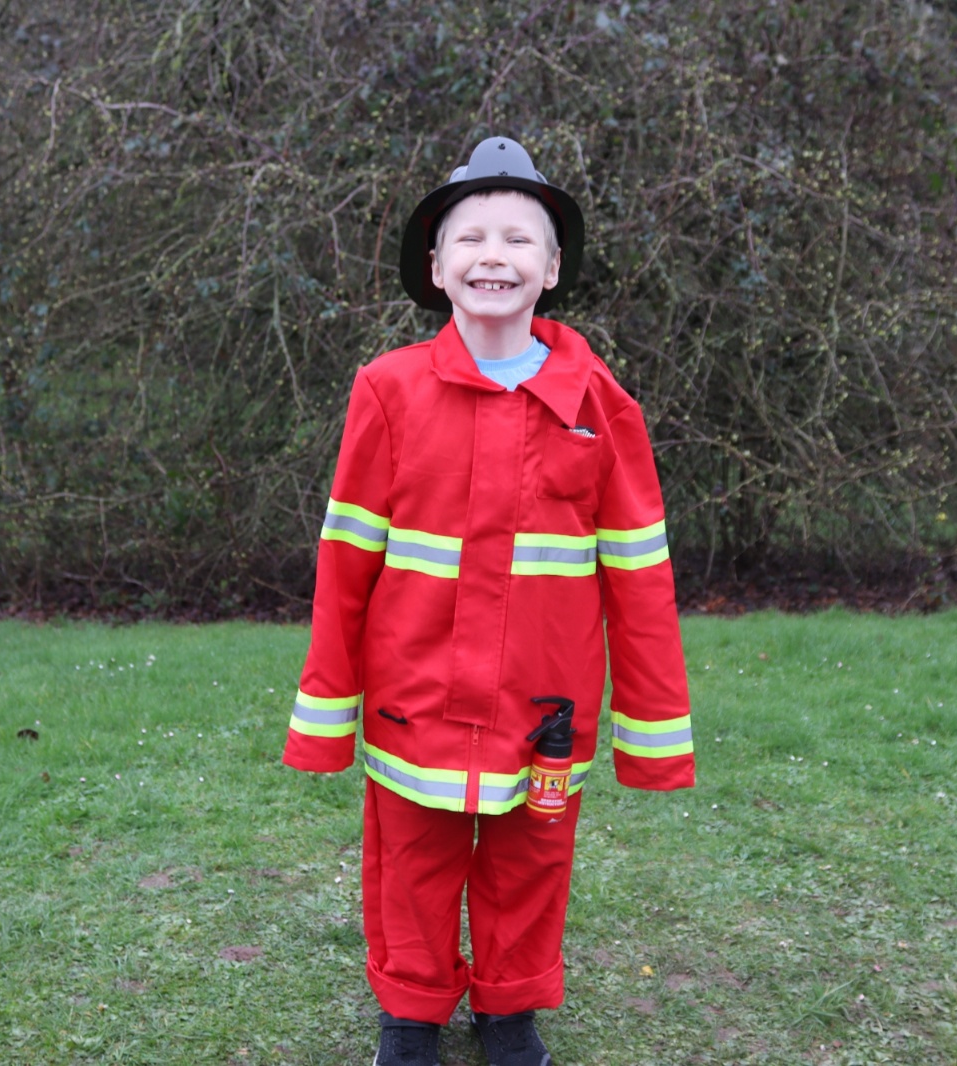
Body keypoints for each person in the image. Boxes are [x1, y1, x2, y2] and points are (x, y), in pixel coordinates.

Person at [283, 136, 694, 1066]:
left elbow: (639, 578)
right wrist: (326, 715)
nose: (493, 256)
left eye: (518, 238)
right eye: (470, 238)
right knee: (412, 863)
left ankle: (510, 1011)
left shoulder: (602, 404)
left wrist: (653, 733)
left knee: (530, 864)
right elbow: (346, 564)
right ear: (436, 268)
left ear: (552, 268)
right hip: (414, 697)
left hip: (545, 708)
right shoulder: (387, 391)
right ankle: (411, 1015)